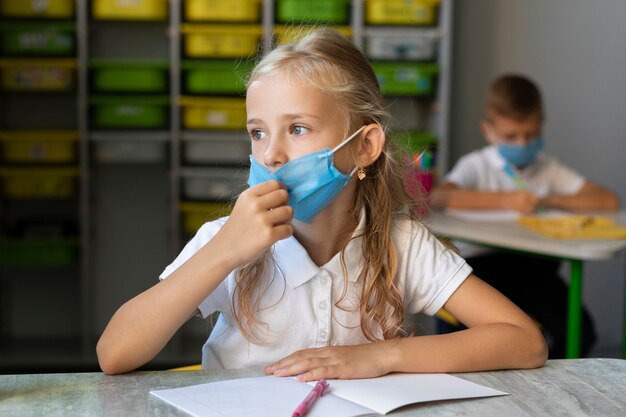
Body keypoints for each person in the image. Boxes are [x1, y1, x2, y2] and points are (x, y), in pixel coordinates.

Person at [97, 30, 547, 377]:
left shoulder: (401, 243)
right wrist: (224, 252)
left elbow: (525, 341)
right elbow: (114, 355)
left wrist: (381, 356)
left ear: (365, 146)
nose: (271, 153)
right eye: (258, 132)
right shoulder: (223, 242)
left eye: (297, 129)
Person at [431, 74, 619, 358]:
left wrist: (549, 199)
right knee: (471, 342)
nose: (521, 144)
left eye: (530, 135)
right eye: (511, 136)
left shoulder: (547, 168)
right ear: (489, 131)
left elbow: (607, 200)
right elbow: (441, 196)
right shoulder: (477, 165)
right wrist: (505, 201)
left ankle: (547, 390)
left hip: (535, 271)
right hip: (481, 270)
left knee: (579, 332)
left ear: (541, 126)